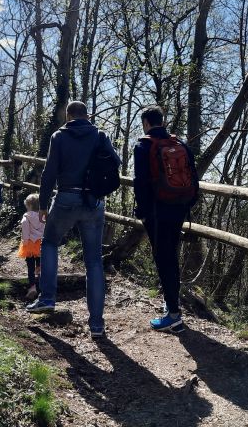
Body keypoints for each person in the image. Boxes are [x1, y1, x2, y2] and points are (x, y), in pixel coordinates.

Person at [26, 101, 120, 339]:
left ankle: (47, 298)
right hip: (93, 202)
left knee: (49, 243)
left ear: (68, 116)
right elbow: (115, 162)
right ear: (86, 115)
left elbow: (49, 172)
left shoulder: (59, 136)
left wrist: (44, 205)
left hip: (66, 197)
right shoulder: (99, 135)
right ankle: (97, 325)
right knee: (94, 262)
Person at [133, 105, 199, 333]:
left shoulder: (143, 145)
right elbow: (194, 179)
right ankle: (172, 306)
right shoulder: (180, 144)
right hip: (179, 207)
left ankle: (173, 316)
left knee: (164, 258)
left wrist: (142, 211)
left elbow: (140, 183)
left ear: (146, 123)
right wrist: (186, 204)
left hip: (157, 211)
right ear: (162, 120)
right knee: (171, 255)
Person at [18, 193, 45, 301]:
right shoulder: (43, 217)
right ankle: (42, 285)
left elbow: (25, 233)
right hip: (40, 243)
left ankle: (32, 287)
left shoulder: (26, 218)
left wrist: (24, 243)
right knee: (40, 265)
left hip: (29, 244)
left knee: (30, 267)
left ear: (28, 205)